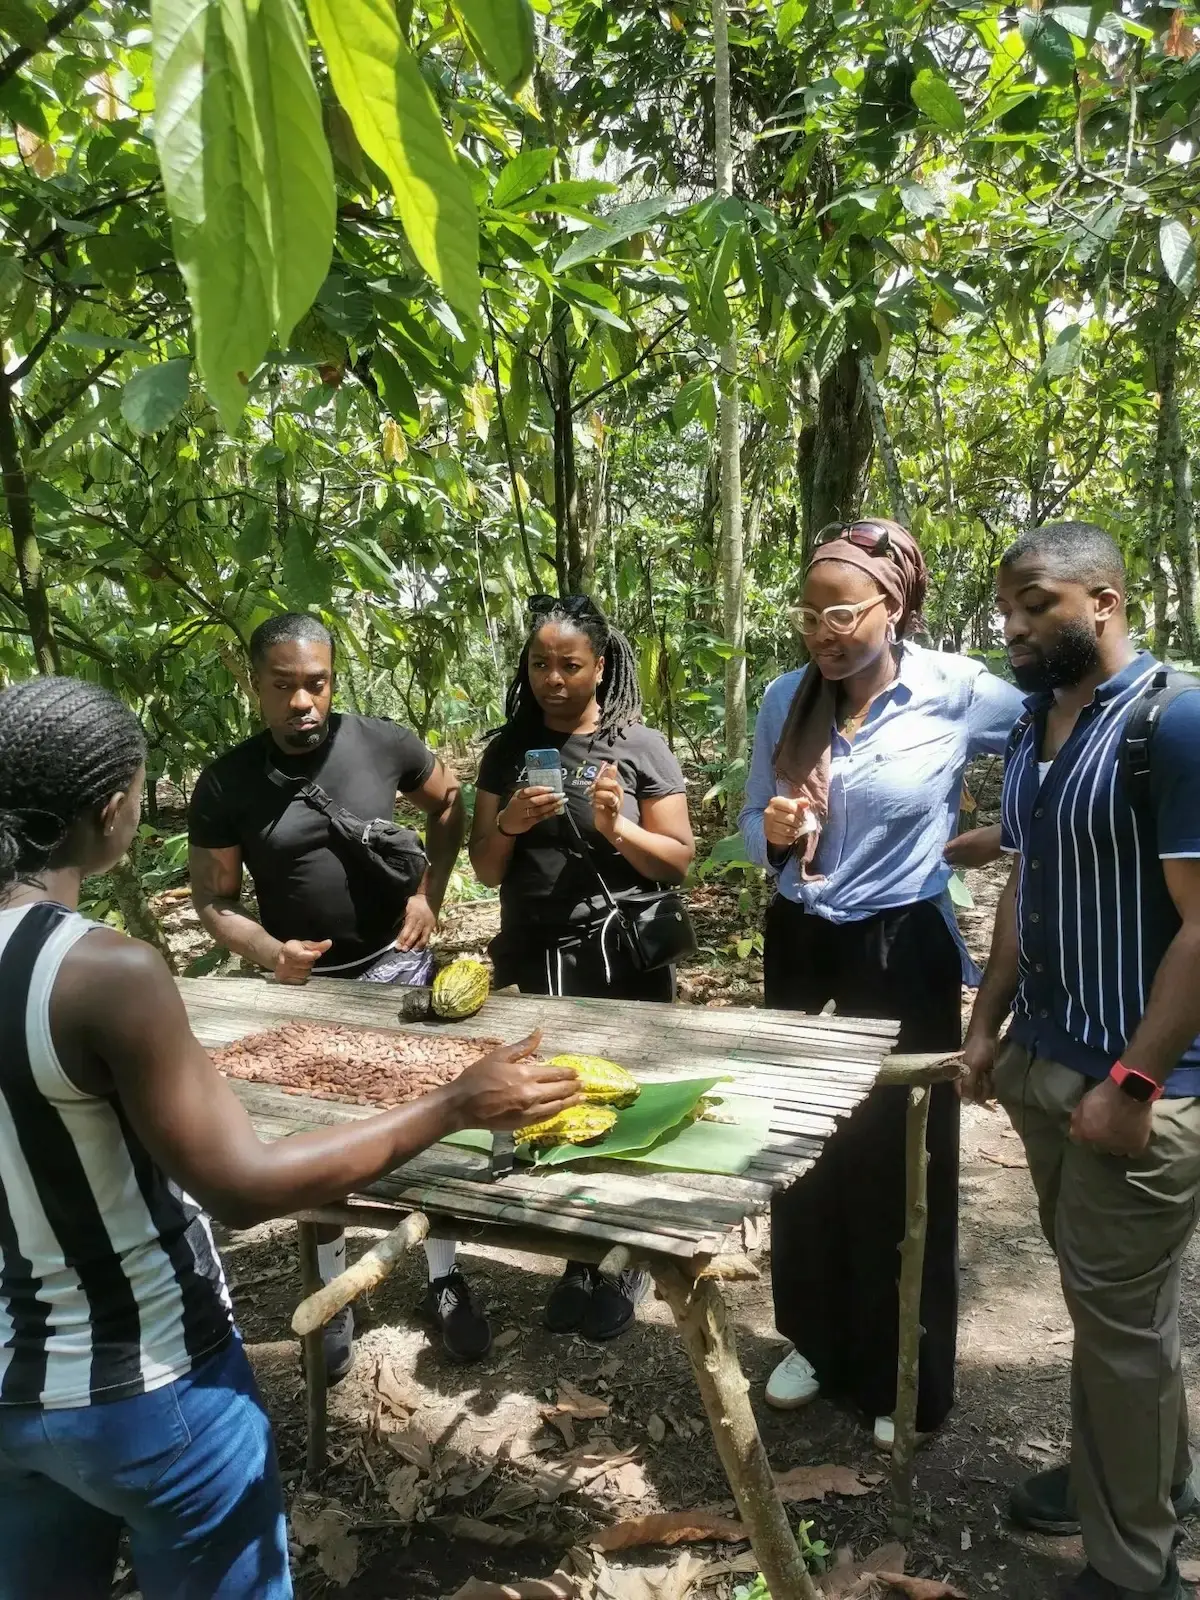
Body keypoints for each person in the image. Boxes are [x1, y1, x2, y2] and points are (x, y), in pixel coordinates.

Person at [0, 674, 580, 1600]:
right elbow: (242, 1186)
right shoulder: (104, 972)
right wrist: (450, 1107)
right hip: (149, 1380)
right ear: (112, 810)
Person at [739, 518, 1025, 1450]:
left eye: (840, 612)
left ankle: (903, 1366)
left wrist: (1009, 829)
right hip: (802, 941)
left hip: (904, 951)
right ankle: (815, 1341)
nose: (820, 632)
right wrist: (773, 834)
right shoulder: (786, 698)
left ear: (891, 607)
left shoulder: (956, 690)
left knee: (904, 1156)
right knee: (803, 1146)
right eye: (808, 613)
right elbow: (750, 829)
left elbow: (1060, 730)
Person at [963, 522, 1200, 1600]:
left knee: (1119, 1328)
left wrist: (1135, 1082)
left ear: (1103, 600)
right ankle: (1145, 1477)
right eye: (1005, 609)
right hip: (1045, 1065)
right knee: (1109, 1316)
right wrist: (988, 1025)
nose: (1011, 628)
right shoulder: (1030, 727)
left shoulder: (1173, 721)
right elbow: (1028, 883)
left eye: (1035, 605)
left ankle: (1131, 1563)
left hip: (1137, 1089)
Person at [188, 613, 486, 1375]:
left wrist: (429, 894)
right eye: (283, 686)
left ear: (333, 680)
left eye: (315, 683)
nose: (302, 702)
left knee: (430, 1121)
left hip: (397, 973)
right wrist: (266, 951)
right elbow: (214, 899)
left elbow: (448, 803)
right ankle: (333, 1295)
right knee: (313, 1146)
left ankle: (445, 1279)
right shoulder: (228, 782)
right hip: (305, 991)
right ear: (253, 686)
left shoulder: (383, 742)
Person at [469, 593, 695, 1339]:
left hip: (620, 959)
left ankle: (625, 1254)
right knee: (559, 1101)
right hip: (537, 956)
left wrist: (618, 826)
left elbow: (678, 862)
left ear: (601, 667)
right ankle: (577, 1255)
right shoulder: (507, 750)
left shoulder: (640, 746)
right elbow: (486, 870)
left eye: (570, 665)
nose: (553, 680)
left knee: (627, 1096)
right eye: (540, 664)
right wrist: (508, 821)